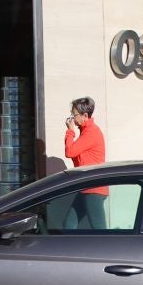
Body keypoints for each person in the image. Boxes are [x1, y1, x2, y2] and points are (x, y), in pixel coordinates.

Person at [63, 95, 107, 228]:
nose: (72, 117)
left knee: (100, 230)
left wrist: (70, 132)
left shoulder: (91, 132)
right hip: (86, 186)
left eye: (74, 114)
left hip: (93, 188)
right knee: (69, 224)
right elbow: (75, 155)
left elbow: (69, 152)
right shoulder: (86, 132)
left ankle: (108, 249)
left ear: (85, 115)